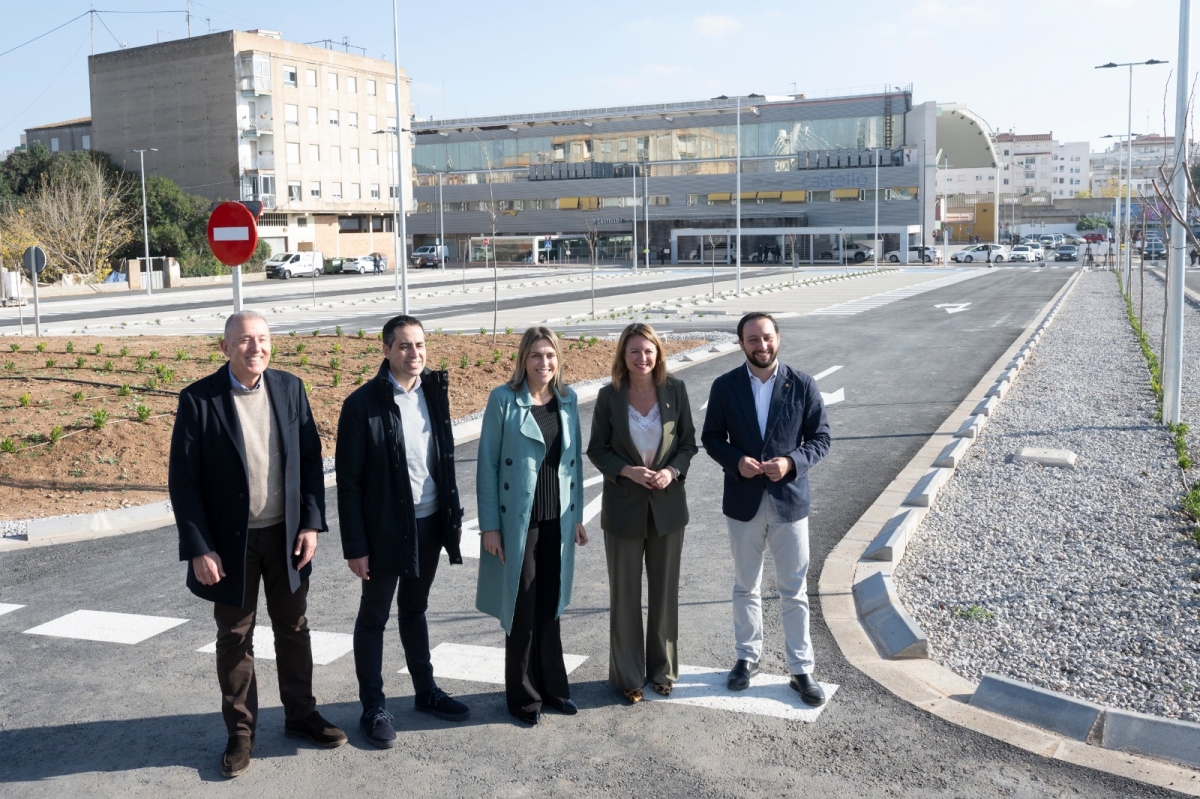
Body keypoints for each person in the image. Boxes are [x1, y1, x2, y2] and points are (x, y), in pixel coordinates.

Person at [168, 310, 346, 779]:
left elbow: (310, 461)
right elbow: (183, 482)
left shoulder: (290, 388)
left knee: (295, 627)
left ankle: (301, 715)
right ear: (224, 348)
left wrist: (310, 523)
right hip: (230, 546)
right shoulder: (199, 399)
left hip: (286, 536)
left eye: (263, 339)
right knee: (235, 637)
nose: (256, 348)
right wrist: (199, 547)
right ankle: (241, 732)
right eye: (244, 340)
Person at [336, 314, 468, 749]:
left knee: (415, 608)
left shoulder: (434, 391)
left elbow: (442, 458)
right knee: (374, 617)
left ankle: (425, 691)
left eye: (421, 345)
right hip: (385, 529)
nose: (415, 354)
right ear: (387, 351)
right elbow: (350, 482)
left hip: (429, 521)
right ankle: (373, 707)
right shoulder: (362, 404)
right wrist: (355, 545)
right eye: (405, 346)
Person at [701, 312, 832, 707]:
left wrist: (792, 462)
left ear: (778, 339)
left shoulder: (802, 384)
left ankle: (801, 669)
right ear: (741, 343)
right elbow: (711, 437)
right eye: (753, 340)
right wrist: (734, 460)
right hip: (743, 502)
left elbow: (821, 438)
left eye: (767, 338)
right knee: (746, 585)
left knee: (794, 589)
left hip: (789, 502)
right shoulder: (725, 386)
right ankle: (747, 657)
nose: (762, 346)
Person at [476, 326, 588, 725]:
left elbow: (572, 465)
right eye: (537, 355)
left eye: (551, 355)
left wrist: (577, 516)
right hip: (518, 523)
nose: (545, 363)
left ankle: (555, 689)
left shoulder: (567, 399)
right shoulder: (504, 400)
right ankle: (523, 697)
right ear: (523, 359)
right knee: (521, 609)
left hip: (557, 519)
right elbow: (488, 465)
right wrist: (489, 526)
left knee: (550, 607)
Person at [587, 323, 696, 703]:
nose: (642, 358)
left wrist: (671, 470)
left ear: (658, 353)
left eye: (648, 351)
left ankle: (663, 670)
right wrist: (627, 470)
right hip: (622, 510)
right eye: (634, 351)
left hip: (667, 509)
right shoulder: (609, 397)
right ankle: (628, 677)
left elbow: (687, 444)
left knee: (665, 594)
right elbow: (597, 450)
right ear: (623, 356)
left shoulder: (675, 391)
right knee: (625, 595)